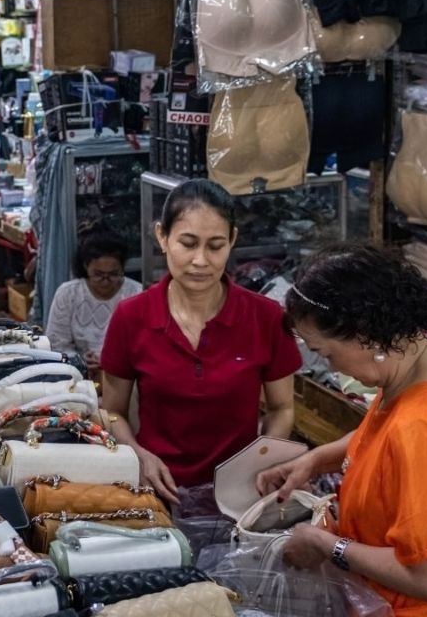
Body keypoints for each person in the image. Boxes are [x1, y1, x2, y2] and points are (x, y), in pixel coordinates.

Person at [257, 243, 427, 616]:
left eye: (327, 353)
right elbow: (385, 438)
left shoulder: (422, 433)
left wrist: (326, 545)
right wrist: (317, 459)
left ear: (365, 332)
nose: (331, 367)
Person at [100, 179, 302, 504]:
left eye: (215, 245)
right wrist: (136, 454)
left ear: (233, 240)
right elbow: (112, 413)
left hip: (240, 497)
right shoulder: (131, 316)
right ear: (162, 237)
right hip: (155, 493)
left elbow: (282, 408)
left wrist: (256, 466)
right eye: (188, 243)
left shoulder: (265, 318)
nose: (200, 260)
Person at [46, 233, 143, 376]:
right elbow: (56, 344)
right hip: (76, 372)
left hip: (124, 374)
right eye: (98, 274)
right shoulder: (68, 294)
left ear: (122, 268)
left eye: (113, 274)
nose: (105, 281)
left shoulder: (136, 293)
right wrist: (80, 362)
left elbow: (143, 346)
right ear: (86, 267)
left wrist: (111, 362)